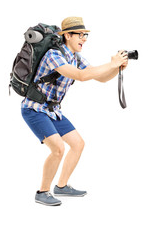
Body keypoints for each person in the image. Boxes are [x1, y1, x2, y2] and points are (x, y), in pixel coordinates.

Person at [21, 17, 128, 206]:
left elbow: (99, 76)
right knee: (58, 149)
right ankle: (42, 192)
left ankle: (61, 187)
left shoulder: (75, 57)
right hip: (34, 109)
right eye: (80, 34)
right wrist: (111, 64)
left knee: (77, 144)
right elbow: (80, 76)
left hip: (52, 110)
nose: (84, 38)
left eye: (85, 35)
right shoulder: (54, 55)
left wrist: (116, 67)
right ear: (67, 35)